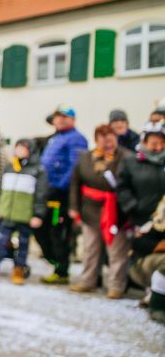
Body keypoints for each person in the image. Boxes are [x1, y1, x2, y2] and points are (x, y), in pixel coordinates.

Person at [68, 124, 133, 298]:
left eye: (111, 142)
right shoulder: (85, 158)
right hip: (90, 210)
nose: (108, 146)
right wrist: (73, 206)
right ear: (96, 141)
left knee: (116, 251)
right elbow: (75, 182)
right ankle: (87, 281)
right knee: (90, 248)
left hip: (116, 211)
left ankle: (116, 286)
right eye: (104, 142)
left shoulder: (126, 158)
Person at [0, 139, 48, 285]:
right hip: (7, 213)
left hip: (25, 215)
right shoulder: (10, 167)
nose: (19, 151)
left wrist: (38, 215)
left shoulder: (38, 170)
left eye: (23, 148)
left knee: (23, 244)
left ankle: (18, 270)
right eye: (18, 148)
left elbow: (41, 194)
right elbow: (2, 191)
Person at [37, 104, 88, 284]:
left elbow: (76, 168)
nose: (59, 120)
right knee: (42, 228)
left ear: (72, 120)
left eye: (64, 117)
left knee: (57, 231)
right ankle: (55, 263)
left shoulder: (76, 138)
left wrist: (58, 186)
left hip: (61, 195)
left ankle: (62, 270)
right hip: (47, 192)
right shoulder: (56, 137)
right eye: (57, 117)